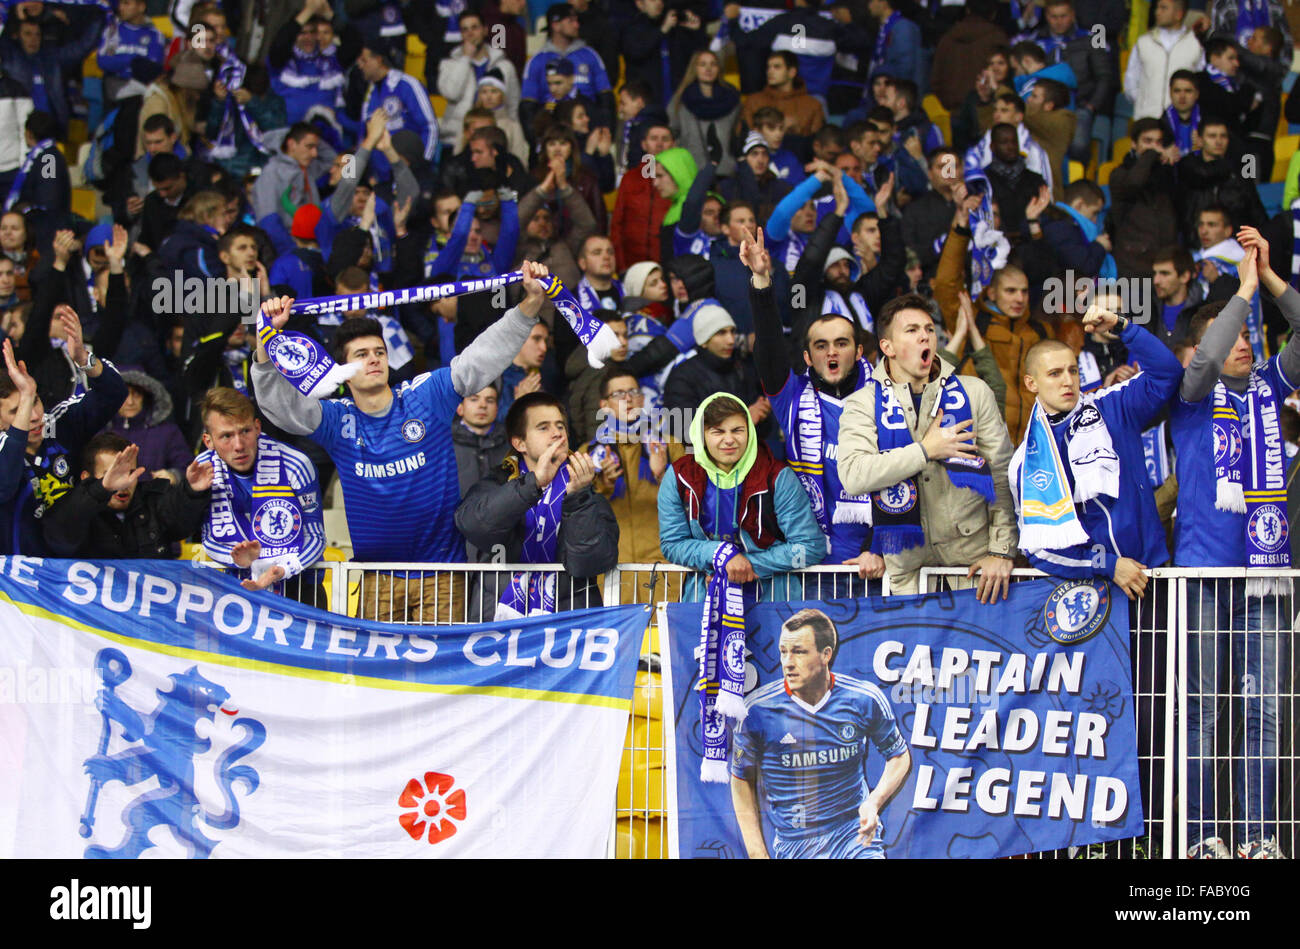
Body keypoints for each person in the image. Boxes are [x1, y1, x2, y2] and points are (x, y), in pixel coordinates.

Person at [252, 260, 557, 623]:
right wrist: (264, 347)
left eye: (379, 352)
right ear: (342, 371)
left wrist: (529, 307)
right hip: (377, 578)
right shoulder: (335, 419)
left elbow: (482, 358)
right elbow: (281, 409)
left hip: (444, 577)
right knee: (379, 680)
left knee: (441, 680)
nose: (374, 360)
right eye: (361, 355)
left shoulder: (425, 395)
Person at [1171, 231, 1295, 859]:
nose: (1242, 343)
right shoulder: (1189, 398)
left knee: (1268, 716)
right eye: (1229, 334)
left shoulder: (1271, 385)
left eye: (1248, 334)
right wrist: (1240, 294)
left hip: (1268, 578)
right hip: (1202, 578)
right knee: (1203, 715)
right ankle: (1201, 842)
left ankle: (1261, 840)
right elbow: (1205, 359)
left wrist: (1269, 278)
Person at [837, 293, 1017, 598]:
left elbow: (1002, 476)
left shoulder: (974, 393)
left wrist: (1002, 551)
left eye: (929, 329)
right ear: (887, 347)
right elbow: (854, 476)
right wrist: (924, 451)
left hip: (974, 569)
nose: (925, 336)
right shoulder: (862, 404)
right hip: (907, 576)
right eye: (912, 330)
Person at [1009, 306, 1183, 596]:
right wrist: (1108, 565)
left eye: (1073, 370)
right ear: (1031, 383)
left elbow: (1168, 373)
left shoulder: (1112, 405)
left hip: (1151, 574)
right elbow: (1040, 550)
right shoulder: (1026, 461)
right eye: (1054, 373)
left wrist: (1123, 328)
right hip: (1090, 591)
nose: (1068, 381)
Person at [744, 224, 886, 582]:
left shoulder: (887, 398)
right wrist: (762, 283)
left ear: (858, 351)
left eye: (841, 343)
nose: (832, 352)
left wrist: (880, 547)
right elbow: (770, 349)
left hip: (875, 564)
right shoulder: (791, 397)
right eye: (821, 346)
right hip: (809, 565)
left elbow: (905, 482)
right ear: (808, 357)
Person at [731, 607, 912, 859]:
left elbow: (899, 756)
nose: (787, 663)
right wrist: (756, 853)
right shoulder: (757, 710)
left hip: (854, 836)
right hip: (795, 843)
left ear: (826, 654)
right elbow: (741, 779)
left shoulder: (863, 698)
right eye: (783, 652)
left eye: (799, 652)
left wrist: (873, 802)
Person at [455, 391, 618, 620]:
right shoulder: (496, 484)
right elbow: (474, 525)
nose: (557, 434)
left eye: (561, 426)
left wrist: (578, 498)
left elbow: (592, 562)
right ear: (519, 443)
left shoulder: (584, 492)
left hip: (566, 627)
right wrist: (533, 484)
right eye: (543, 427)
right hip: (499, 626)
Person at [657, 392, 825, 601]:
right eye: (717, 431)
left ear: (750, 432)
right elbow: (672, 544)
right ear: (701, 435)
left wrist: (743, 565)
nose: (729, 440)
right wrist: (720, 555)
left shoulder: (776, 476)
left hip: (773, 600)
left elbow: (810, 547)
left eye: (738, 430)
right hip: (705, 599)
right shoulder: (680, 476)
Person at [195, 387, 326, 596]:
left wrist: (280, 569)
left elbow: (316, 537)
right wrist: (237, 559)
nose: (238, 445)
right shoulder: (202, 471)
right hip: (236, 586)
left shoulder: (296, 464)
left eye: (245, 431)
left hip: (299, 585)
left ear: (257, 427)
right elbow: (210, 538)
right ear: (208, 441)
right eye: (226, 436)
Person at [1124, 0, 1205, 120]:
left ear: (1178, 14)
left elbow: (1200, 83)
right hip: (1147, 120)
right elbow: (1131, 82)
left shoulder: (1196, 45)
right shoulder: (1143, 42)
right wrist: (1145, 103)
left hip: (1180, 121)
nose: (1157, 12)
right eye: (1157, 8)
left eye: (1163, 8)